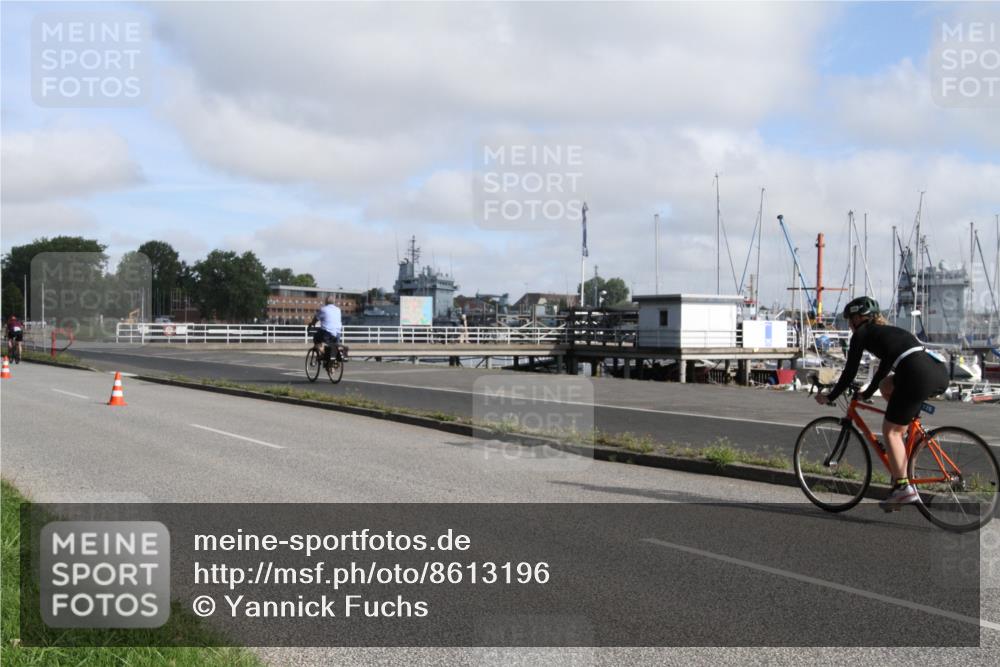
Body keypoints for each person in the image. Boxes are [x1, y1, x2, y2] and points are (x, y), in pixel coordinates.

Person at [815, 296, 949, 511]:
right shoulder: (888, 332)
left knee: (890, 432)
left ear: (859, 318)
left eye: (850, 319)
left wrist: (830, 396)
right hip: (937, 371)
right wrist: (869, 391)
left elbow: (850, 371)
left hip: (916, 374)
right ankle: (905, 436)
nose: (849, 325)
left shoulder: (862, 334)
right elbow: (884, 369)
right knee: (888, 386)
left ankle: (903, 488)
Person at [308, 295, 342, 364]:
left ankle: (325, 355)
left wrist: (311, 324)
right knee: (333, 346)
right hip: (338, 333)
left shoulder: (323, 309)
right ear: (334, 302)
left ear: (326, 301)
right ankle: (332, 365)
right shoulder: (338, 310)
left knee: (316, 338)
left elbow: (316, 319)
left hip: (327, 333)